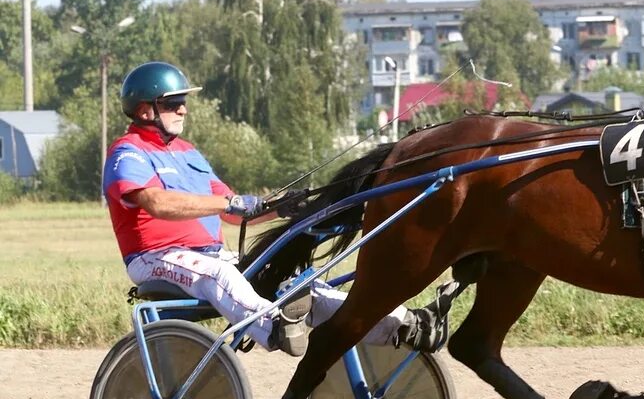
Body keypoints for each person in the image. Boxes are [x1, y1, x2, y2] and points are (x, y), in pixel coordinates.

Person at [102, 61, 444, 357]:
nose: (184, 109)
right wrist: (230, 202)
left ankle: (399, 326)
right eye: (174, 103)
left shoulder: (187, 153)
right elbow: (155, 202)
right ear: (146, 110)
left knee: (299, 284)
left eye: (183, 102)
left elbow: (235, 211)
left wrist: (278, 207)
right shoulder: (127, 152)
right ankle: (275, 327)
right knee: (217, 275)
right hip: (155, 259)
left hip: (210, 254)